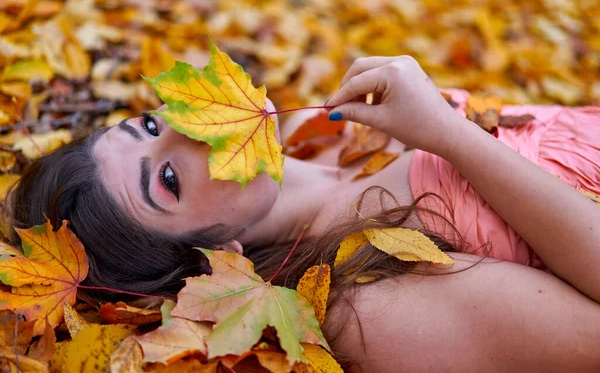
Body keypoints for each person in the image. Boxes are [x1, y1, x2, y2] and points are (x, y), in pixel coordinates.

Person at [8, 55, 600, 371]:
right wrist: (453, 136)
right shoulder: (365, 299)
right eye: (166, 180)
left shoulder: (324, 128)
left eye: (150, 125)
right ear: (216, 258)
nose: (190, 132)